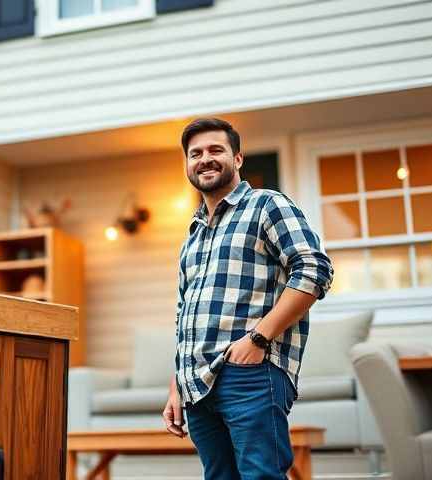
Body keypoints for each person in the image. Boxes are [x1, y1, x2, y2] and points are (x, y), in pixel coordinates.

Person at [162, 118, 334, 479]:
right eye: (195, 154)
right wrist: (176, 385)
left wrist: (258, 338)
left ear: (237, 158)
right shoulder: (193, 234)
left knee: (261, 475)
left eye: (215, 150)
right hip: (196, 386)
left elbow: (314, 269)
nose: (204, 159)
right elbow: (184, 313)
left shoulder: (265, 205)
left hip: (250, 373)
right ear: (187, 165)